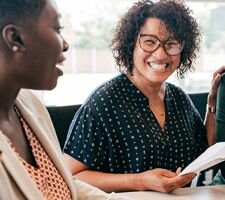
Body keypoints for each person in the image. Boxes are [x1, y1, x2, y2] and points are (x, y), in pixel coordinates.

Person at [63, 0, 225, 193]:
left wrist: (212, 102)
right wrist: (141, 181)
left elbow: (205, 149)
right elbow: (70, 176)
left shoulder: (178, 98)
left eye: (171, 44)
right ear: (131, 44)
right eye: (150, 41)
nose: (161, 54)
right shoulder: (103, 102)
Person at [0, 0, 132, 199]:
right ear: (15, 38)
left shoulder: (31, 105)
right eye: (57, 29)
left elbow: (61, 184)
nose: (66, 44)